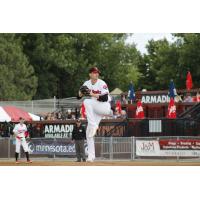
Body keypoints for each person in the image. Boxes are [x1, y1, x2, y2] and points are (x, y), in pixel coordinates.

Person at [77, 66, 113, 162]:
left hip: (104, 107)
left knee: (87, 102)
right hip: (95, 109)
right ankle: (91, 157)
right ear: (90, 74)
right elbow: (78, 96)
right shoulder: (87, 83)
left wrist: (91, 93)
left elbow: (105, 98)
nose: (96, 74)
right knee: (89, 133)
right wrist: (81, 92)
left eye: (97, 72)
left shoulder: (101, 83)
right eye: (94, 72)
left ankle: (93, 125)